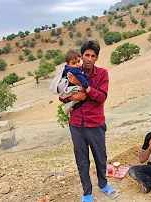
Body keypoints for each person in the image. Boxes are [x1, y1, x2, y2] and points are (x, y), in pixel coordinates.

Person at [59, 41, 117, 202]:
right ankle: (87, 193)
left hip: (95, 122)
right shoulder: (72, 71)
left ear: (97, 58)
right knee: (82, 160)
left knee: (100, 157)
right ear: (81, 56)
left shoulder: (102, 74)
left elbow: (101, 97)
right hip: (76, 124)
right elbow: (61, 95)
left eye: (93, 56)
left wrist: (83, 86)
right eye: (86, 55)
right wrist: (73, 97)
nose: (89, 59)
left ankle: (103, 184)